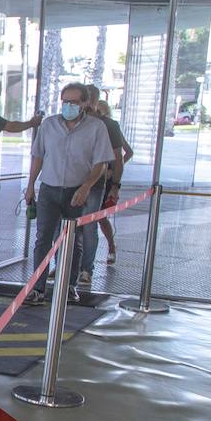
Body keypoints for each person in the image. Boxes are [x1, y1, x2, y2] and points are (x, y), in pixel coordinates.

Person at [24, 83, 115, 305]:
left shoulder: (96, 128)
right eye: (65, 101)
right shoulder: (49, 125)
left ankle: (69, 286)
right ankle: (38, 288)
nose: (69, 106)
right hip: (49, 188)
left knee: (72, 241)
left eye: (74, 102)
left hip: (76, 190)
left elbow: (101, 163)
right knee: (43, 238)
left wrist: (86, 187)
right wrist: (30, 185)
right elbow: (38, 156)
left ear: (84, 103)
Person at [77, 86, 131, 282]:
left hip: (98, 182)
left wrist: (114, 182)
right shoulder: (72, 122)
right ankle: (69, 264)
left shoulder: (108, 125)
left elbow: (120, 155)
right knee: (72, 225)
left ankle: (86, 269)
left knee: (92, 222)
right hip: (72, 181)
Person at [92, 99, 133, 267]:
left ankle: (111, 247)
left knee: (100, 217)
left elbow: (128, 152)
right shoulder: (90, 128)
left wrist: (114, 169)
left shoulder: (111, 127)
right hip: (90, 175)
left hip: (105, 179)